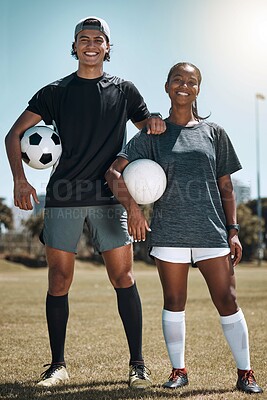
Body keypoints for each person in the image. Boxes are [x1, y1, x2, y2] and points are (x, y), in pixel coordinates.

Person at [5, 16, 166, 389]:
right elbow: (14, 134)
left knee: (122, 276)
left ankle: (137, 365)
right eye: (83, 39)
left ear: (108, 48)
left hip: (110, 197)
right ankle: (57, 365)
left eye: (98, 39)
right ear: (74, 46)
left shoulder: (124, 90)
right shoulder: (55, 92)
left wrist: (155, 121)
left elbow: (147, 130)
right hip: (63, 196)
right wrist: (19, 178)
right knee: (59, 280)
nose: (91, 44)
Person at [105, 62, 263, 394]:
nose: (184, 85)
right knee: (174, 300)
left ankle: (245, 372)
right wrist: (133, 209)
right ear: (166, 86)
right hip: (170, 234)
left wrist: (233, 230)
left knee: (228, 300)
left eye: (191, 81)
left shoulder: (214, 133)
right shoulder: (152, 134)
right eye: (177, 79)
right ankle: (179, 371)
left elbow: (227, 186)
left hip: (211, 233)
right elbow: (114, 173)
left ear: (198, 90)